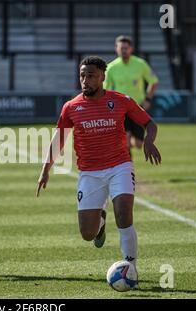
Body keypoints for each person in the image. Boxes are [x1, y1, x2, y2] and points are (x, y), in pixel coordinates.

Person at [36, 56, 161, 277]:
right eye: (82, 75)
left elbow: (149, 123)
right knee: (87, 233)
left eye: (91, 76)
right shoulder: (71, 107)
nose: (85, 80)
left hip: (119, 166)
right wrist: (45, 169)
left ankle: (130, 266)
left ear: (102, 77)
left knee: (124, 214)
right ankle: (101, 222)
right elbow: (59, 139)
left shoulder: (121, 100)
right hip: (89, 173)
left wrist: (149, 141)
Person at [104, 35, 159, 150]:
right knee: (126, 139)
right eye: (121, 48)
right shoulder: (111, 67)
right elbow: (105, 89)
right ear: (116, 49)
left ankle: (129, 145)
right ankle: (127, 164)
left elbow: (153, 81)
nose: (124, 50)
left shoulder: (140, 64)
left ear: (131, 49)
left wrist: (148, 99)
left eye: (126, 48)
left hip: (137, 107)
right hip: (120, 109)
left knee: (139, 144)